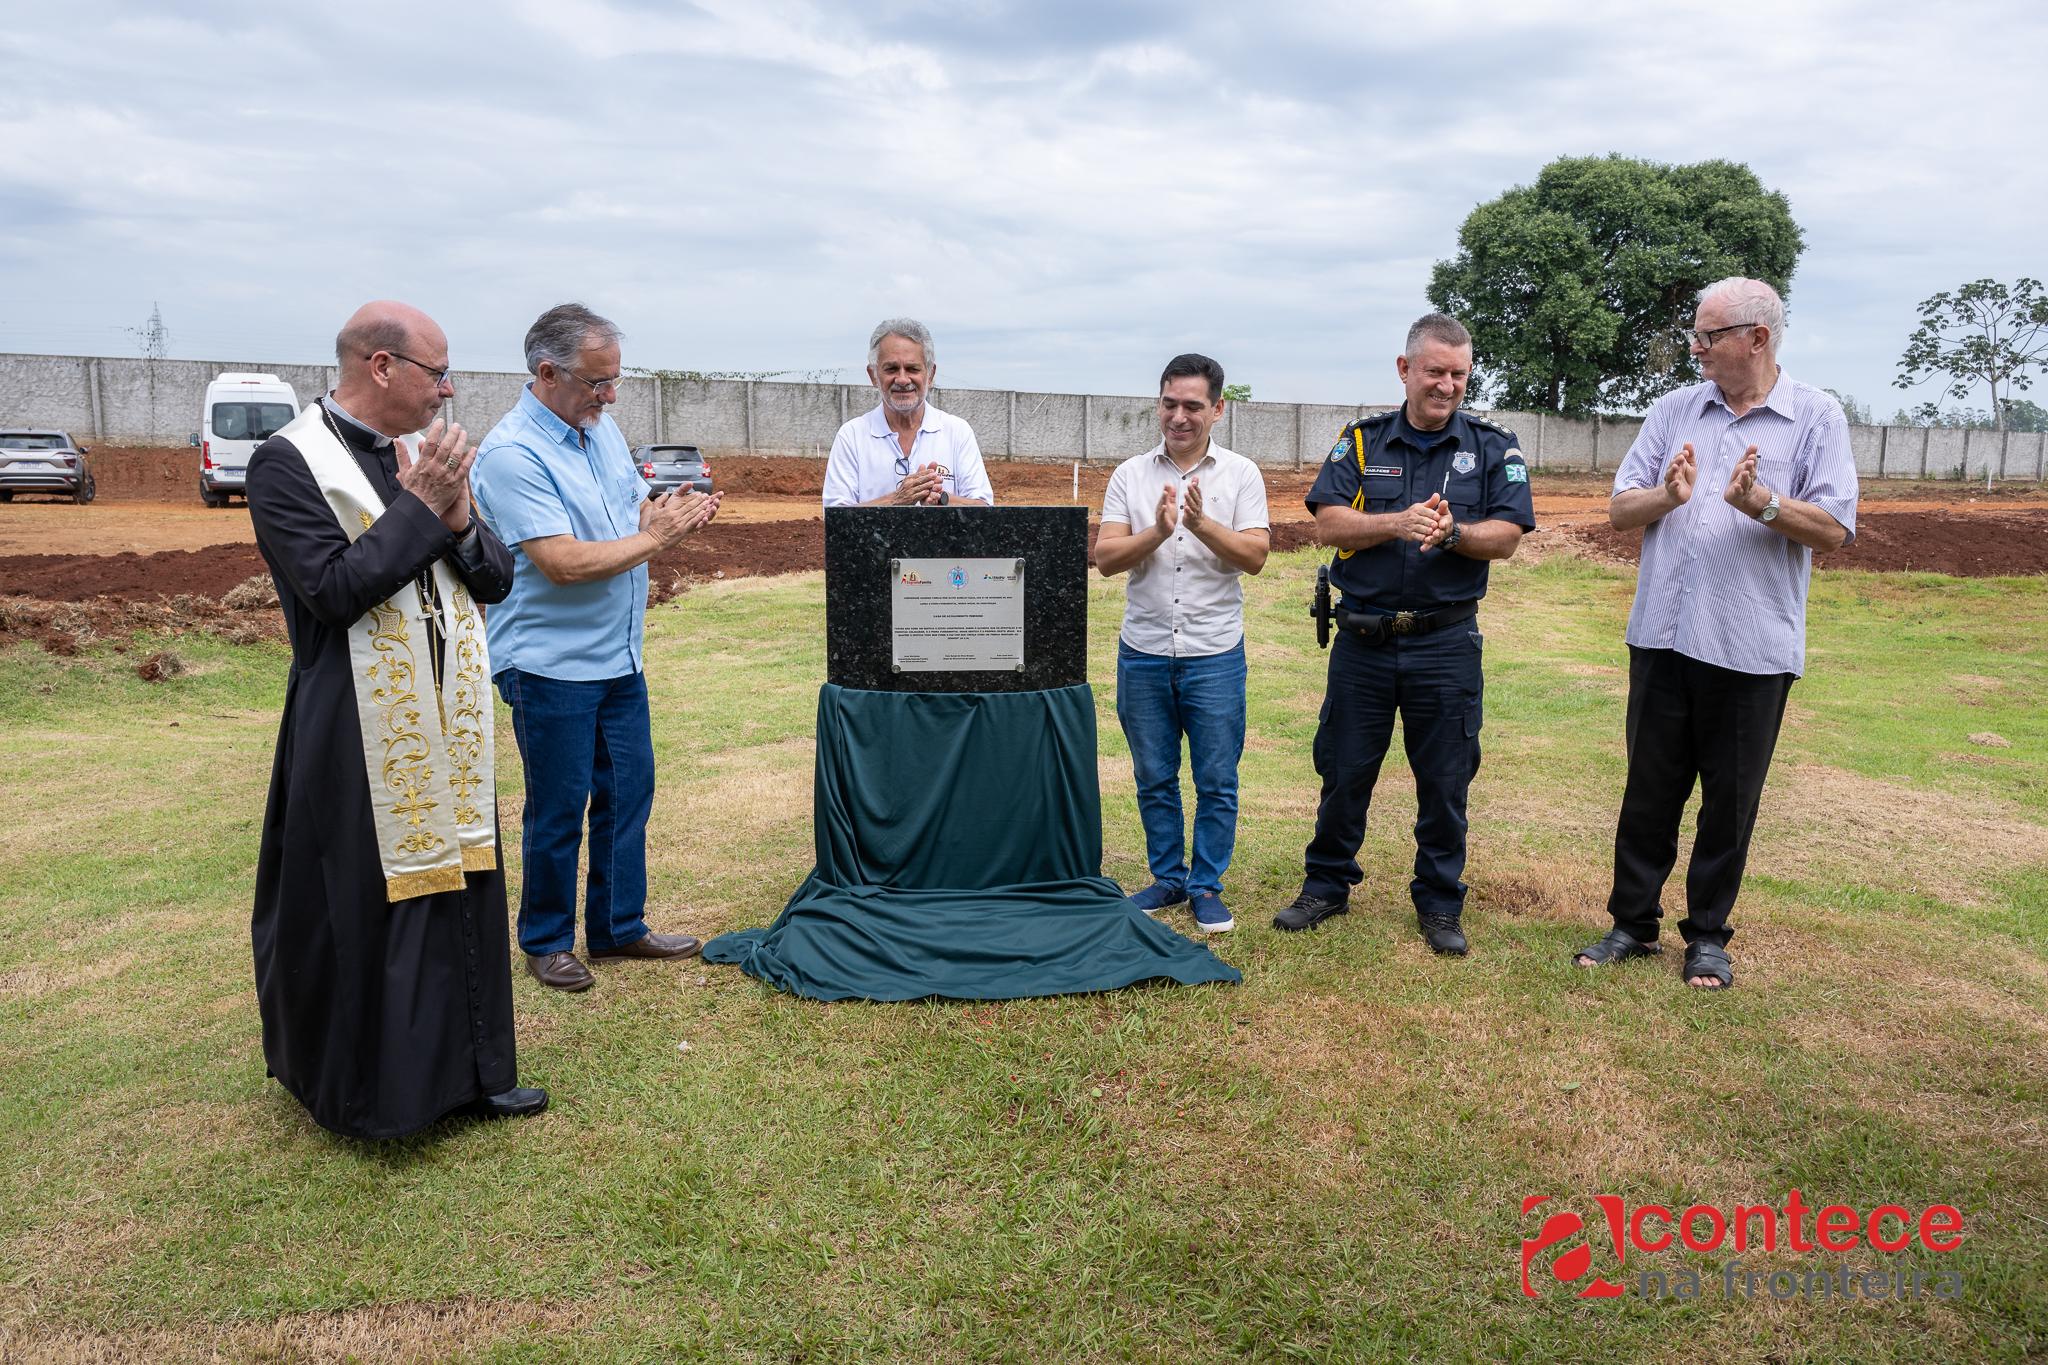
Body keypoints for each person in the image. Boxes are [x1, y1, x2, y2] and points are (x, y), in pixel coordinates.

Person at [245, 299, 545, 1138]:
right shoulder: (285, 464)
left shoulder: (423, 456)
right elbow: (335, 591)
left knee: (465, 886)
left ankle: (477, 1075)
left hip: (443, 716)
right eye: (435, 373)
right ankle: (385, 1096)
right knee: (369, 903)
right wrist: (420, 506)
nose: (446, 392)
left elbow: (492, 580)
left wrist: (453, 516)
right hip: (351, 723)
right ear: (381, 366)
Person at [1575, 278, 1858, 989]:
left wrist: (1763, 505)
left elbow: (1834, 529)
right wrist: (1667, 497)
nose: (1695, 349)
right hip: (1663, 638)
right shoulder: (1675, 411)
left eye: (1708, 336)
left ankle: (1706, 936)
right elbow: (1618, 509)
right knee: (1649, 792)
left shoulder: (1815, 418)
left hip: (1750, 648)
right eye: (1696, 337)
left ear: (1756, 338)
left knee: (1729, 803)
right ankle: (1632, 924)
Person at [471, 303, 721, 993]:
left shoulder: (599, 431)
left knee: (628, 791)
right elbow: (562, 561)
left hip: (618, 657)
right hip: (550, 664)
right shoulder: (512, 454)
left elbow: (631, 507)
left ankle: (617, 926)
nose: (609, 395)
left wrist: (669, 513)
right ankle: (547, 939)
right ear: (547, 372)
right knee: (559, 804)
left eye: (615, 380)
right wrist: (657, 540)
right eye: (596, 382)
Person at [1275, 313, 1534, 954]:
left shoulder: (1494, 446)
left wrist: (1454, 534)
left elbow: (1507, 536)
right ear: (1404, 370)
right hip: (1362, 641)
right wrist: (1397, 524)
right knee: (1343, 769)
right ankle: (1326, 886)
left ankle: (1440, 903)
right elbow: (1329, 525)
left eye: (1459, 374)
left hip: (1445, 643)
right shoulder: (1361, 442)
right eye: (1435, 371)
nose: (1447, 385)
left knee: (1446, 779)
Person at [1096, 354, 1270, 932]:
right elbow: (1105, 559)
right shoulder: (1131, 475)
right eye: (1170, 404)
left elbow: (1255, 556)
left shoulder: (1241, 474)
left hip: (1214, 653)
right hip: (1143, 651)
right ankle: (1169, 878)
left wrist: (1199, 525)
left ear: (1218, 409)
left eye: (1193, 406)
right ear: (1159, 405)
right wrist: (1158, 532)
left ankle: (1206, 885)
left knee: (1217, 778)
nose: (1180, 416)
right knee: (1154, 775)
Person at [822, 318, 995, 508]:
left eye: (912, 369)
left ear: (930, 375)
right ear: (873, 375)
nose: (903, 379)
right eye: (891, 369)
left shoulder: (957, 432)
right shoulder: (851, 436)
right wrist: (896, 500)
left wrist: (940, 499)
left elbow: (984, 508)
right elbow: (835, 519)